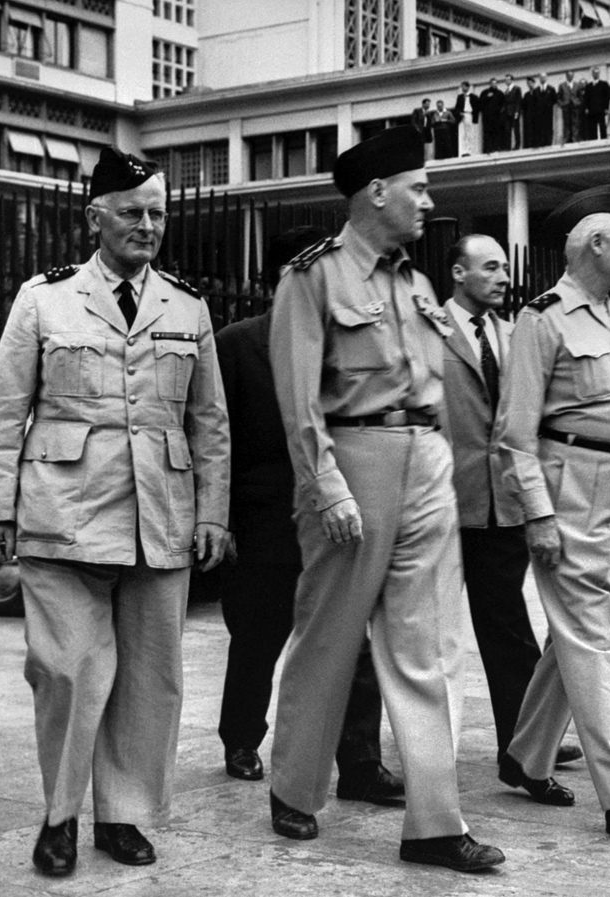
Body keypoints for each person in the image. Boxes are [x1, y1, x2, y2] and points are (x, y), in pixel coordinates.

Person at [0, 147, 230, 875]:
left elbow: (209, 421)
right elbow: (1, 415)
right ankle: (60, 815)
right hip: (64, 513)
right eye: (131, 213)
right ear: (95, 217)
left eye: (157, 213)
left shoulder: (187, 306)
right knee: (65, 671)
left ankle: (125, 814)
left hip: (161, 517)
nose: (147, 226)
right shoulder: (44, 299)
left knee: (152, 675)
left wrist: (212, 510)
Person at [266, 126, 503, 873]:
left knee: (430, 643)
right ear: (377, 192)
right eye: (419, 188)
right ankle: (295, 785)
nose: (429, 201)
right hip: (354, 459)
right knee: (330, 634)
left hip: (425, 461)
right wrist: (323, 481)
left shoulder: (418, 283)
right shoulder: (314, 277)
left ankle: (434, 821)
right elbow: (298, 397)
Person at [495, 186, 610, 849]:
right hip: (574, 484)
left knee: (578, 628)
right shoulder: (543, 318)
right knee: (592, 630)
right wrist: (537, 514)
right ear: (593, 244)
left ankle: (527, 754)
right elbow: (515, 432)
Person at [211, 227, 403, 806]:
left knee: (354, 646)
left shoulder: (350, 343)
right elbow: (216, 443)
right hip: (265, 525)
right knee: (257, 641)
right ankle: (242, 739)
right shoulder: (237, 344)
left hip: (338, 523)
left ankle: (361, 765)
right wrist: (223, 523)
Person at [439, 233, 583, 782]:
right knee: (428, 637)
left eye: (505, 267)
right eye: (491, 267)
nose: (504, 277)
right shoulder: (432, 329)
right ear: (459, 272)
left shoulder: (514, 333)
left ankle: (522, 748)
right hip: (445, 504)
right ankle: (415, 750)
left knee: (510, 631)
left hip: (503, 505)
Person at [479, 78, 507, 153]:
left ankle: (497, 147)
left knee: (497, 133)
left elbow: (504, 104)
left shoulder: (500, 93)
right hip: (487, 118)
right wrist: (487, 97)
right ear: (490, 84)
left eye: (495, 83)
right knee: (487, 134)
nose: (494, 85)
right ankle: (488, 149)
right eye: (492, 83)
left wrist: (501, 112)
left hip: (497, 118)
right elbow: (480, 103)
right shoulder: (485, 92)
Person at [583, 66, 610, 139]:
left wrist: (606, 108)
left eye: (597, 73)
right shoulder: (588, 86)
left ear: (599, 74)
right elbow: (586, 98)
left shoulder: (604, 84)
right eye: (594, 73)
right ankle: (593, 140)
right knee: (592, 126)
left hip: (601, 109)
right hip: (592, 110)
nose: (596, 75)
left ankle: (604, 139)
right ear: (592, 74)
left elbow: (607, 97)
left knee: (602, 126)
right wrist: (586, 108)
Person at [453, 81, 479, 156]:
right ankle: (462, 151)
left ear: (468, 87)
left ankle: (470, 151)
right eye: (462, 87)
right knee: (462, 133)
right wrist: (459, 112)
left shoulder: (473, 96)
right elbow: (456, 107)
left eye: (464, 86)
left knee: (469, 133)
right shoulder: (460, 97)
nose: (462, 88)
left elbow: (476, 107)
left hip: (469, 114)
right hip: (462, 115)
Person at [556, 70, 581, 144]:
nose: (570, 76)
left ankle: (574, 138)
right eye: (568, 75)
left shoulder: (577, 85)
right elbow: (558, 97)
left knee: (575, 122)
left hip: (574, 106)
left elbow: (580, 96)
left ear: (573, 76)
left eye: (571, 75)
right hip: (566, 106)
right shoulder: (562, 85)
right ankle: (567, 138)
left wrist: (577, 103)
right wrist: (562, 104)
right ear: (566, 76)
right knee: (566, 123)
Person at [503, 74, 523, 150]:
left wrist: (517, 111)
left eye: (508, 79)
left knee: (516, 129)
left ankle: (517, 145)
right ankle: (508, 146)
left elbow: (519, 101)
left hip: (514, 111)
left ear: (511, 80)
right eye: (506, 80)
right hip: (508, 112)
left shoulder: (517, 89)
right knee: (508, 130)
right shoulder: (506, 91)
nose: (506, 81)